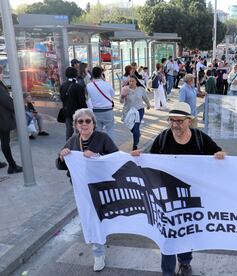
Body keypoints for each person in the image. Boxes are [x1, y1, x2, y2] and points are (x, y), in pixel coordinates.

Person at [132, 102, 226, 276]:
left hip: (191, 196)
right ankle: (167, 272)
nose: (175, 125)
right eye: (172, 120)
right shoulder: (163, 138)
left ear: (189, 121)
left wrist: (220, 155)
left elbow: (219, 153)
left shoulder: (200, 138)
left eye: (179, 121)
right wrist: (139, 157)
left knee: (186, 233)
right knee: (168, 236)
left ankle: (184, 262)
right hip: (165, 196)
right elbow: (150, 161)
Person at [56, 108, 139, 272]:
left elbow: (116, 159)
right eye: (80, 121)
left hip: (102, 188)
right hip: (81, 189)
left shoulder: (102, 138)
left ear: (94, 124)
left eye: (88, 121)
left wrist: (97, 158)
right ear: (76, 125)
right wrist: (61, 156)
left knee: (103, 217)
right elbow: (59, 165)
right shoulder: (73, 141)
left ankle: (104, 235)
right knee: (92, 219)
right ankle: (98, 253)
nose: (84, 124)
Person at [120, 75, 151, 150]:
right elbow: (121, 102)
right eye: (129, 81)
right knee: (132, 128)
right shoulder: (125, 89)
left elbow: (145, 97)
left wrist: (148, 104)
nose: (130, 83)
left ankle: (135, 145)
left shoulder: (141, 89)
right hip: (128, 111)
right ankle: (137, 134)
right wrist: (123, 96)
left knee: (136, 127)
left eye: (132, 81)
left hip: (139, 110)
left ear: (136, 82)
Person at [86, 66, 116, 140]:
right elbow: (113, 95)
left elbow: (88, 98)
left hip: (96, 111)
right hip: (108, 110)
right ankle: (111, 148)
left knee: (97, 131)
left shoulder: (88, 86)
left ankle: (97, 148)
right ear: (101, 74)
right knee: (110, 130)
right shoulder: (107, 84)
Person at [60, 67, 88, 140]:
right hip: (77, 112)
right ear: (76, 74)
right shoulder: (78, 87)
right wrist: (86, 112)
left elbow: (62, 99)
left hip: (67, 111)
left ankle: (68, 145)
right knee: (79, 130)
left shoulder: (63, 85)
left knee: (69, 130)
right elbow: (82, 102)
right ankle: (78, 146)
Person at [0, 85, 22, 174]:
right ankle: (12, 166)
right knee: (5, 143)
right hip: (2, 119)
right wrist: (18, 107)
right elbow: (8, 102)